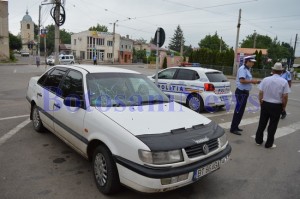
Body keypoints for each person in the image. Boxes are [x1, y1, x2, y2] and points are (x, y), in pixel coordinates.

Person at [255, 62, 290, 148]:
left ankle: (258, 140)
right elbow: (285, 96)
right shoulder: (284, 82)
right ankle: (269, 144)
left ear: (272, 70)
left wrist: (260, 101)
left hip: (265, 104)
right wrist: (284, 106)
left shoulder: (265, 79)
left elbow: (260, 92)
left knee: (262, 123)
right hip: (276, 106)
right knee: (273, 125)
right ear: (281, 72)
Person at [230, 55, 260, 135]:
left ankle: (236, 126)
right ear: (248, 62)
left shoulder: (247, 69)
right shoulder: (242, 69)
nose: (253, 64)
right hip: (241, 92)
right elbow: (242, 80)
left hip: (244, 92)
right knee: (238, 111)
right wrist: (252, 81)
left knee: (241, 111)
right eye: (252, 62)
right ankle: (233, 128)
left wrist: (253, 82)